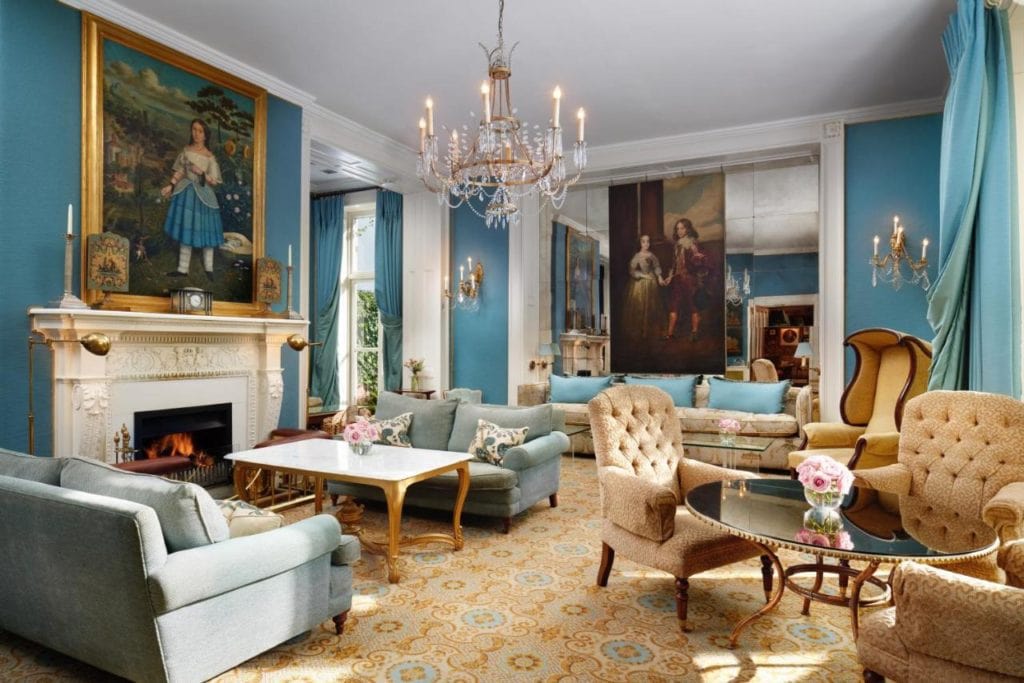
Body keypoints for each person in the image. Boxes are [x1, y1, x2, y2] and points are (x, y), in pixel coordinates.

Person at [160, 118, 223, 280]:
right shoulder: (186, 151)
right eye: (194, 129)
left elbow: (214, 181)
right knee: (186, 229)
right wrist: (171, 186)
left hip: (204, 196)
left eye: (200, 131)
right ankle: (182, 269)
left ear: (205, 135)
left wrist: (201, 172)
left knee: (206, 230)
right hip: (187, 193)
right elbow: (180, 171)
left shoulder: (210, 157)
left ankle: (209, 268)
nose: (196, 133)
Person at [660, 218, 710, 340]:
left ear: (687, 229)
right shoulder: (677, 245)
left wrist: (698, 258)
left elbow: (698, 261)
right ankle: (670, 334)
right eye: (677, 228)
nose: (679, 231)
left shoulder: (692, 243)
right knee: (673, 306)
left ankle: (694, 333)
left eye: (682, 228)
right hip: (677, 280)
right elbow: (674, 264)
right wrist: (669, 277)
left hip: (689, 279)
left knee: (693, 306)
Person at [623, 234, 664, 338]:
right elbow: (631, 270)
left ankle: (649, 330)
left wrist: (659, 277)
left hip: (651, 282)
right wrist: (642, 275)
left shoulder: (651, 255)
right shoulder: (637, 256)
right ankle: (641, 330)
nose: (646, 244)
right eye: (643, 241)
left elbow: (657, 266)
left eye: (648, 241)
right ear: (640, 243)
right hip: (639, 283)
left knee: (652, 305)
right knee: (639, 305)